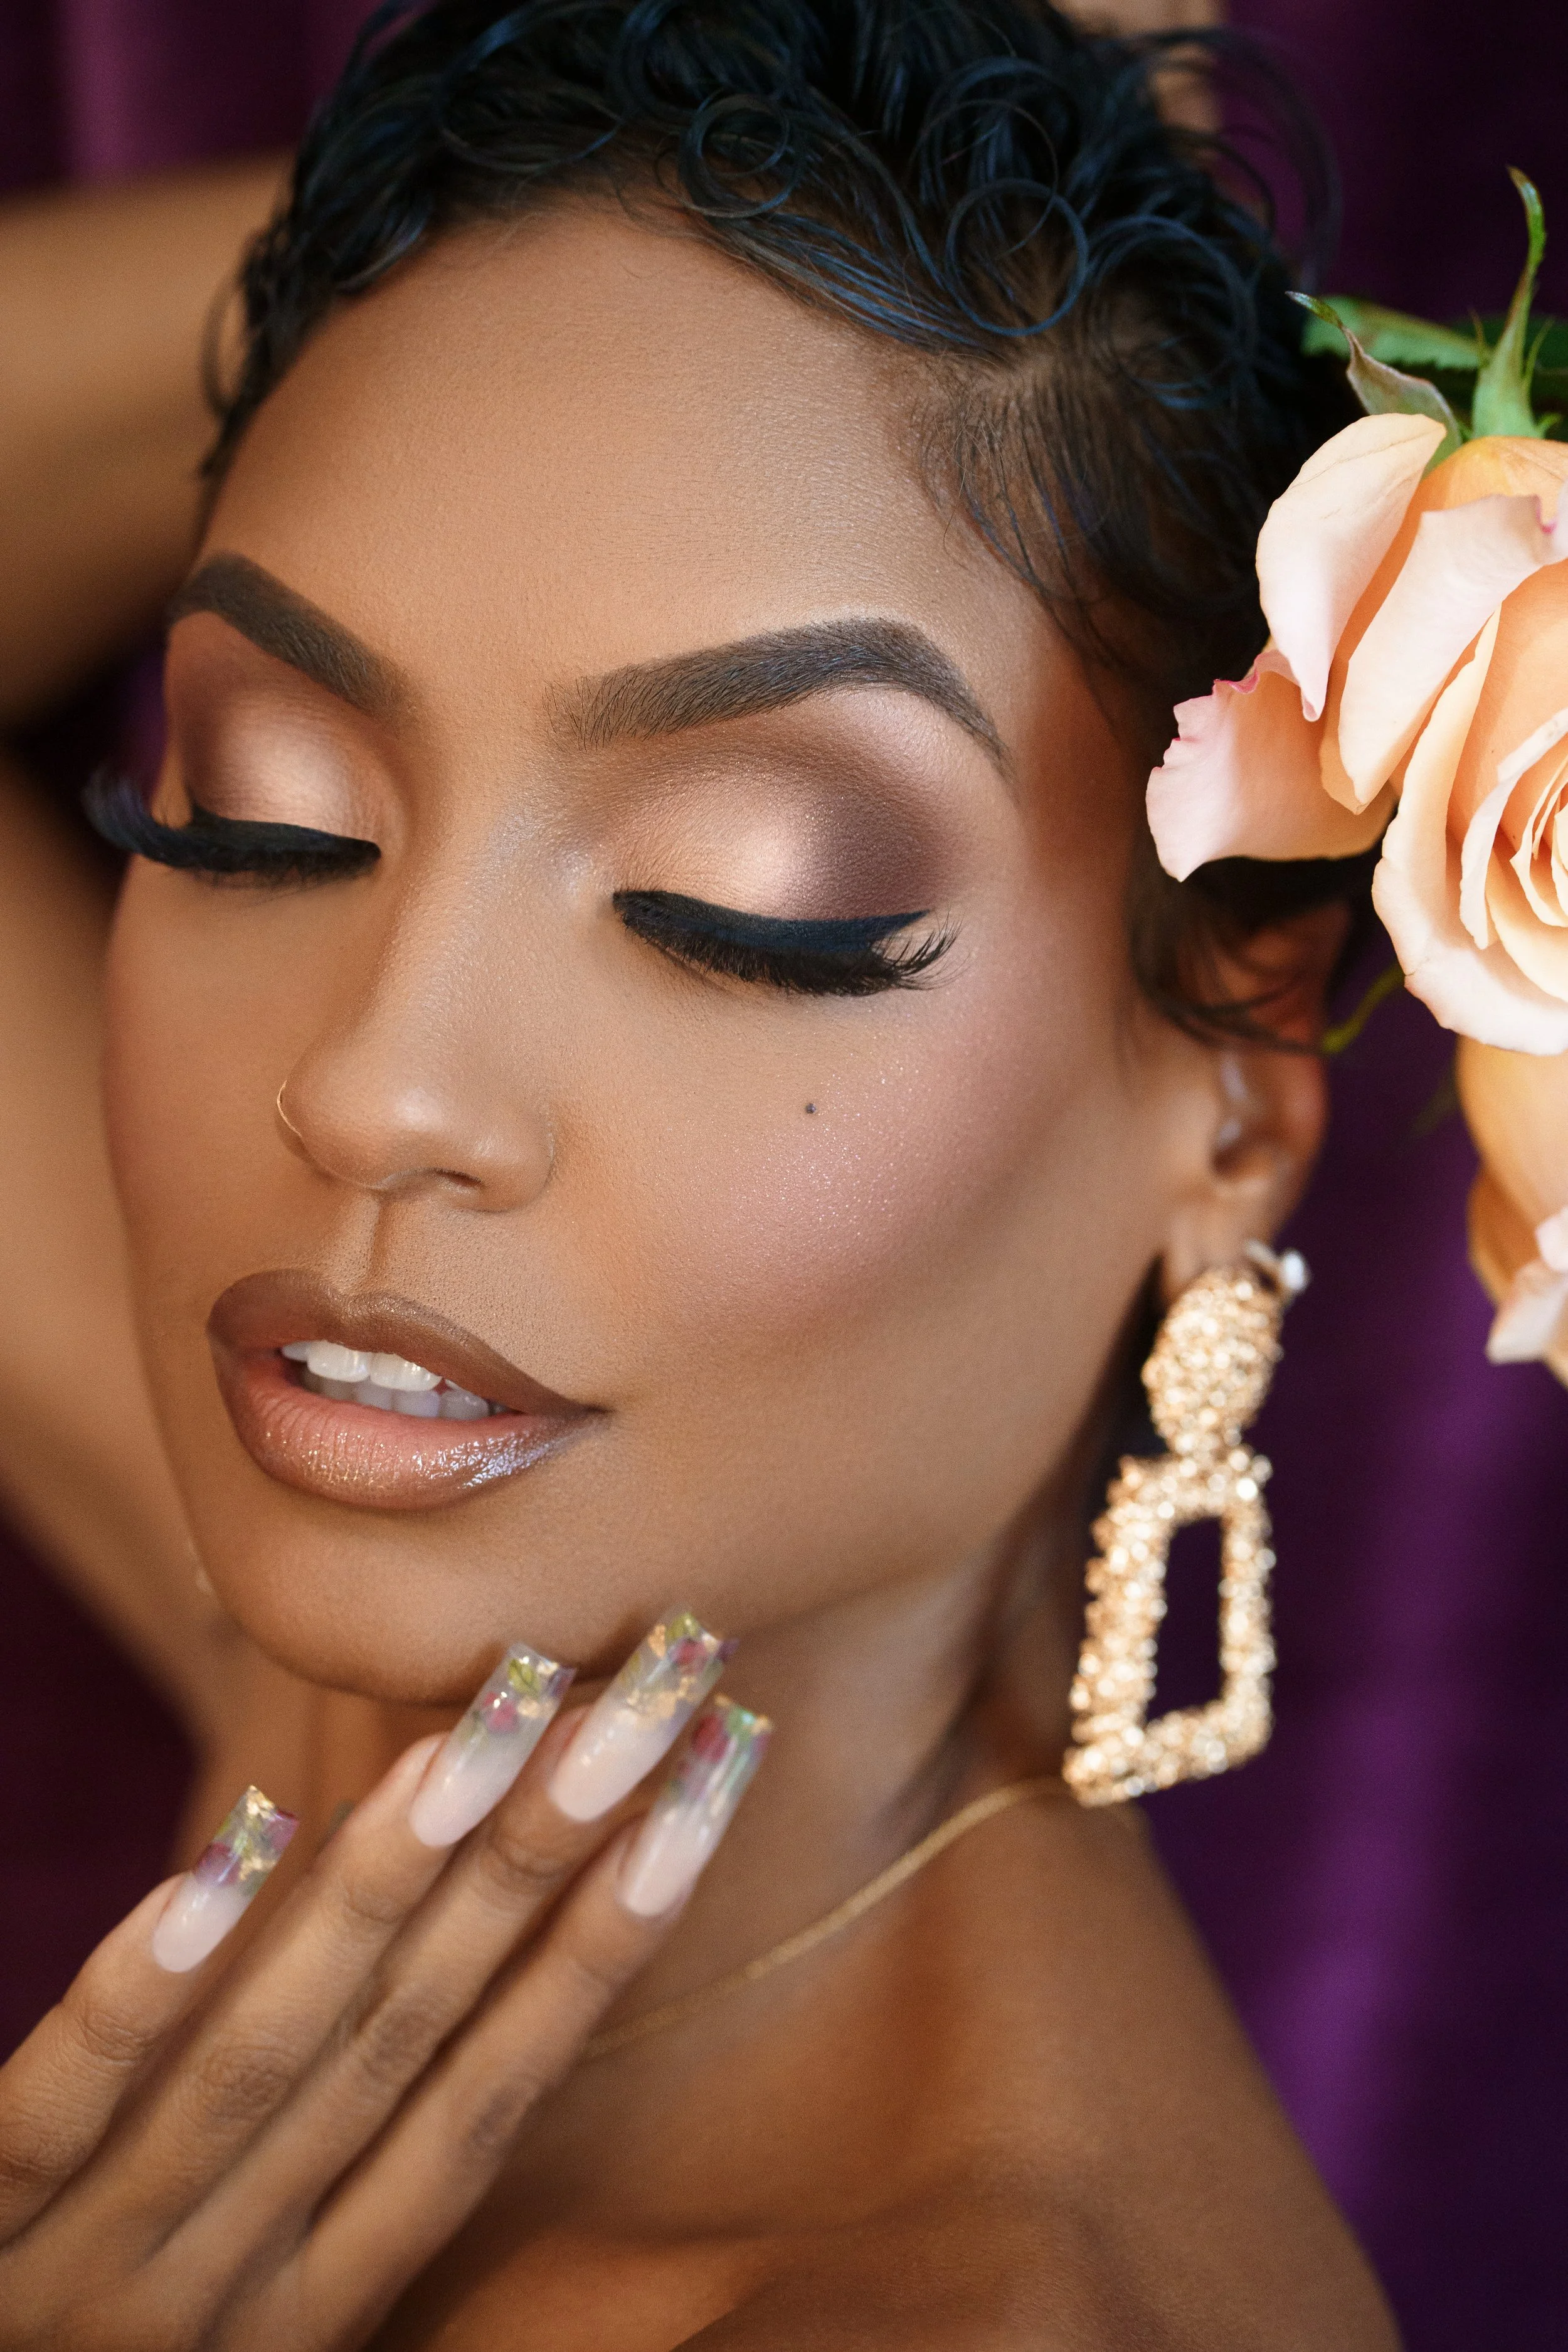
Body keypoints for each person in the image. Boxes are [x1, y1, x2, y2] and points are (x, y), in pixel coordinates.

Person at [0, 3, 1401, 2342]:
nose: (375, 1086)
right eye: (261, 812)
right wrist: (663, 160)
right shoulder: (354, 1710)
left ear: (1231, 1076)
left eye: (737, 909)